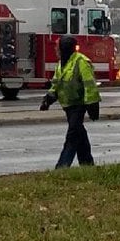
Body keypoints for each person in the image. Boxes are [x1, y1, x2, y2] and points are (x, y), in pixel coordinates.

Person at [40, 36, 103, 168]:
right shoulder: (62, 63)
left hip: (79, 104)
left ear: (63, 48)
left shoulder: (81, 61)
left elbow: (89, 84)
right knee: (80, 134)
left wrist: (92, 104)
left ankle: (62, 166)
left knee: (72, 135)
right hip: (68, 105)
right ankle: (87, 164)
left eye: (58, 47)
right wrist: (49, 98)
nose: (56, 49)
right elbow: (57, 83)